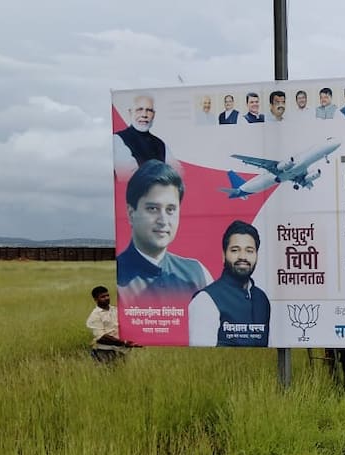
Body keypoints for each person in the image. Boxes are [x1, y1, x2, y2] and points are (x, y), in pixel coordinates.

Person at [117, 160, 212, 303]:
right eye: (153, 209)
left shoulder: (197, 273)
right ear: (131, 213)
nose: (163, 220)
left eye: (170, 210)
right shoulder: (114, 275)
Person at [188, 220, 271, 346]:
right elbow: (200, 357)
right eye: (235, 250)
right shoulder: (205, 300)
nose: (243, 256)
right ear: (223, 255)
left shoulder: (261, 299)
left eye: (249, 251)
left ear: (256, 255)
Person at [113, 94, 182, 176]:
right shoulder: (118, 139)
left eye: (149, 110)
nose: (144, 115)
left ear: (154, 115)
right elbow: (128, 176)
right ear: (130, 112)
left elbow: (177, 174)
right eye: (139, 109)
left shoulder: (161, 144)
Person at [85, 285, 139, 363]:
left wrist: (137, 339)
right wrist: (124, 342)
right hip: (105, 351)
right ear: (96, 299)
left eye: (107, 295)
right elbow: (102, 337)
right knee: (107, 373)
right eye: (103, 297)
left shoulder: (116, 310)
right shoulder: (95, 316)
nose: (106, 298)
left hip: (122, 350)